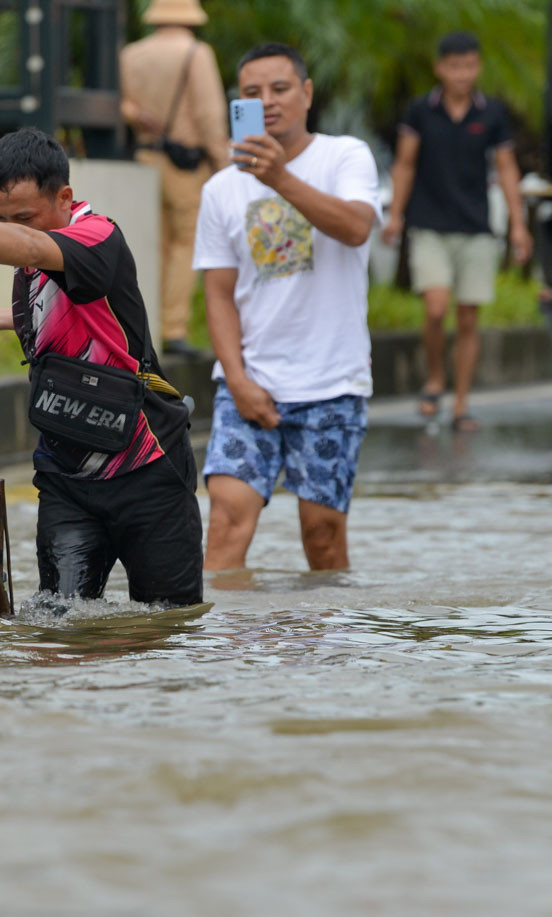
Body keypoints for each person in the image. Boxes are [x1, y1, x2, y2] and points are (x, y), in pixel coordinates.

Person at [0, 128, 203, 608]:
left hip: (147, 471)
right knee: (57, 628)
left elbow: (34, 250)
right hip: (67, 477)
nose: (10, 230)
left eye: (23, 219)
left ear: (65, 198)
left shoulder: (98, 237)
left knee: (167, 626)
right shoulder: (33, 254)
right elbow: (67, 321)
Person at [194, 43, 378, 574]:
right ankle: (225, 650)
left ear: (306, 93)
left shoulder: (345, 157)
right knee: (227, 518)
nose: (267, 102)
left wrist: (279, 179)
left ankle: (325, 648)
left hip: (333, 383)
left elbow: (356, 226)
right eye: (252, 93)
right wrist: (238, 378)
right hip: (250, 381)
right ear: (239, 102)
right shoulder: (220, 189)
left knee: (322, 537)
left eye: (279, 89)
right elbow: (219, 293)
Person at [382, 32, 534, 433]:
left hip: (476, 227)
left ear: (477, 67)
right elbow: (404, 164)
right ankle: (435, 378)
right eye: (454, 66)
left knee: (468, 317)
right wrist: (395, 215)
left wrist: (518, 226)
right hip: (429, 223)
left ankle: (462, 403)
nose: (462, 74)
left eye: (469, 66)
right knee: (435, 307)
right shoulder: (420, 110)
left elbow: (505, 168)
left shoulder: (492, 112)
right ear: (440, 67)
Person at [119, 0, 230, 357]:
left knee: (154, 244)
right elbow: (209, 114)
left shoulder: (130, 54)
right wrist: (223, 163)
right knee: (186, 243)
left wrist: (138, 117)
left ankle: (144, 326)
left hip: (145, 155)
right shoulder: (197, 53)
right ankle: (175, 329)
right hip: (185, 163)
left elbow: (119, 103)